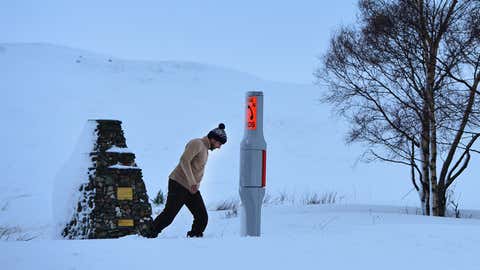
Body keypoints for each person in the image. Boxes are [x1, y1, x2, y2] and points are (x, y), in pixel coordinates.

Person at [145, 123, 227, 238]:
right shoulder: (197, 143)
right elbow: (184, 160)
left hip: (191, 188)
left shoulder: (205, 150)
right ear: (213, 139)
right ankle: (149, 234)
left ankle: (194, 238)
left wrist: (194, 185)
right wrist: (192, 182)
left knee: (202, 216)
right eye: (219, 143)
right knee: (169, 215)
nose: (219, 147)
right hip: (178, 183)